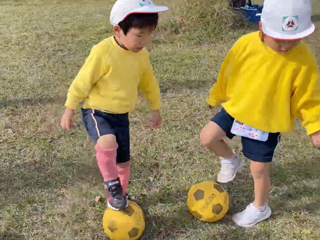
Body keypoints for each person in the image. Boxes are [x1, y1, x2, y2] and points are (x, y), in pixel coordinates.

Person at [200, 0, 320, 227]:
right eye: (279, 40)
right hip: (238, 108)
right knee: (207, 137)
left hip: (266, 121)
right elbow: (228, 71)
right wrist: (216, 95)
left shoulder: (303, 60)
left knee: (258, 169)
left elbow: (308, 98)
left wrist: (315, 126)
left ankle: (260, 207)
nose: (285, 47)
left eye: (293, 41)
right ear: (262, 28)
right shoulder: (245, 44)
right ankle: (230, 160)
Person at [60, 0, 168, 211]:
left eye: (149, 34)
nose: (144, 41)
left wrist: (156, 108)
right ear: (118, 30)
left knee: (123, 162)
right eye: (139, 35)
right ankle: (111, 184)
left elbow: (149, 83)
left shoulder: (141, 56)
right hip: (97, 111)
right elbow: (82, 81)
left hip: (122, 115)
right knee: (108, 141)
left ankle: (119, 197)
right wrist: (69, 109)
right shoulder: (102, 51)